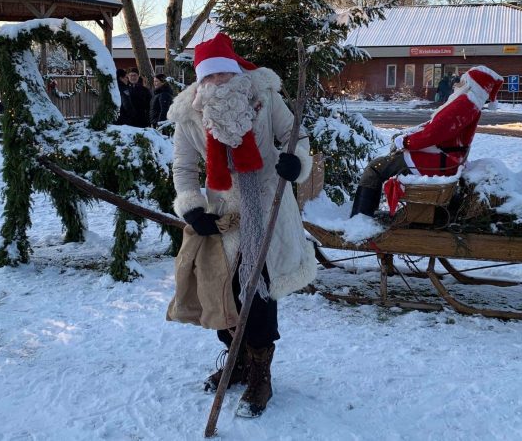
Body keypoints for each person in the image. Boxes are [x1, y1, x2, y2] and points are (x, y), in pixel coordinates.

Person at [167, 32, 317, 418]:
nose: (217, 83)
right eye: (209, 77)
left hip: (267, 208)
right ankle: (235, 361)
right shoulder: (189, 116)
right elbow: (183, 169)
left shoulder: (264, 98)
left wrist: (295, 161)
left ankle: (260, 375)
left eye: (223, 75)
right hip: (223, 218)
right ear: (201, 81)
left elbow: (294, 134)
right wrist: (193, 208)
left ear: (235, 72)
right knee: (223, 293)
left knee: (261, 294)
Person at [351, 65, 504, 218]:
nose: (458, 84)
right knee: (382, 164)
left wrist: (406, 142)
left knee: (375, 168)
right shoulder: (468, 103)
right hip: (446, 158)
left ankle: (360, 217)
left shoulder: (464, 103)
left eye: (463, 81)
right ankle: (367, 213)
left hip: (438, 161)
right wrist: (410, 132)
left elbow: (433, 134)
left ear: (471, 84)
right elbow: (436, 126)